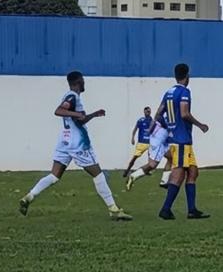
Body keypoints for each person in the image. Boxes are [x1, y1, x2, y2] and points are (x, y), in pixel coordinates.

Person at [18, 71, 132, 221]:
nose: (84, 83)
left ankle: (29, 197)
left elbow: (79, 121)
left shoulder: (73, 98)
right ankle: (114, 210)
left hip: (64, 142)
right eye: (83, 80)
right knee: (98, 174)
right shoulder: (72, 96)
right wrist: (78, 115)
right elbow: (59, 111)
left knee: (54, 175)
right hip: (78, 144)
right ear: (78, 81)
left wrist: (93, 115)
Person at [158, 63, 210, 220]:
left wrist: (169, 127)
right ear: (187, 76)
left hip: (180, 140)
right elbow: (184, 113)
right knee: (179, 174)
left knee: (193, 172)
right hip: (182, 141)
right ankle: (165, 209)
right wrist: (200, 125)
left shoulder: (168, 92)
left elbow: (159, 114)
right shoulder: (184, 92)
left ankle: (192, 210)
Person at [126, 113, 174, 190]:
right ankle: (133, 176)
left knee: (171, 157)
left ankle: (164, 181)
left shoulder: (169, 110)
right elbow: (159, 118)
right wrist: (168, 127)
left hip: (163, 139)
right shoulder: (167, 110)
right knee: (152, 165)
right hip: (159, 140)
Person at [123, 106, 155, 177]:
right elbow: (135, 129)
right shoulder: (141, 120)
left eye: (149, 111)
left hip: (149, 143)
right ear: (144, 112)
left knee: (151, 158)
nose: (148, 113)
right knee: (134, 158)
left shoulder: (152, 120)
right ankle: (127, 170)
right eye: (147, 111)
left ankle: (147, 170)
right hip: (141, 143)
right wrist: (132, 138)